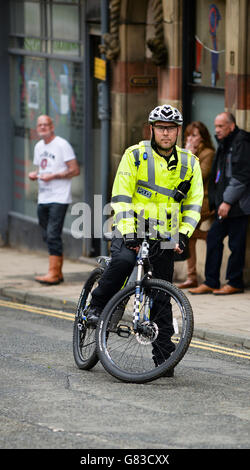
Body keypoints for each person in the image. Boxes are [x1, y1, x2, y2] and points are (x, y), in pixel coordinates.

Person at [86, 104, 204, 376]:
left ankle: (162, 354)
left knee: (161, 293)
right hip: (132, 226)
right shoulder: (135, 156)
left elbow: (194, 205)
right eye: (161, 128)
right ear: (152, 129)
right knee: (123, 262)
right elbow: (122, 194)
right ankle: (96, 306)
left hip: (165, 234)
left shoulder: (190, 163)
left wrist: (184, 234)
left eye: (171, 129)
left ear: (178, 131)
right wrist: (128, 231)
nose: (166, 133)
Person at [189, 112, 250, 295]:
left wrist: (227, 201)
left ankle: (235, 282)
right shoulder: (225, 143)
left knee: (236, 245)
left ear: (231, 126)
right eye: (215, 126)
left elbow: (241, 176)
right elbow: (219, 174)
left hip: (238, 206)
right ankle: (211, 281)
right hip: (224, 205)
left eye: (221, 126)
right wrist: (218, 201)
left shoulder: (241, 142)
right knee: (214, 238)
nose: (217, 130)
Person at [29, 115, 80, 285]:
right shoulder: (38, 146)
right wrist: (35, 175)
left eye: (46, 124)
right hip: (43, 197)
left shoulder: (62, 145)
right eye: (40, 125)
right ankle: (57, 272)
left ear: (52, 126)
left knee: (52, 234)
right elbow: (42, 168)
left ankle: (54, 273)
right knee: (47, 234)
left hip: (59, 197)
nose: (43, 127)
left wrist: (55, 176)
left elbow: (75, 170)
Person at [177, 121, 215, 288]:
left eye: (194, 135)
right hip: (188, 200)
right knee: (189, 237)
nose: (190, 138)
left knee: (189, 234)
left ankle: (209, 236)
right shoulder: (182, 153)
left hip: (204, 200)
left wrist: (190, 155)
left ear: (202, 137)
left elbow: (200, 175)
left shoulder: (208, 153)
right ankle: (191, 276)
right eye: (188, 135)